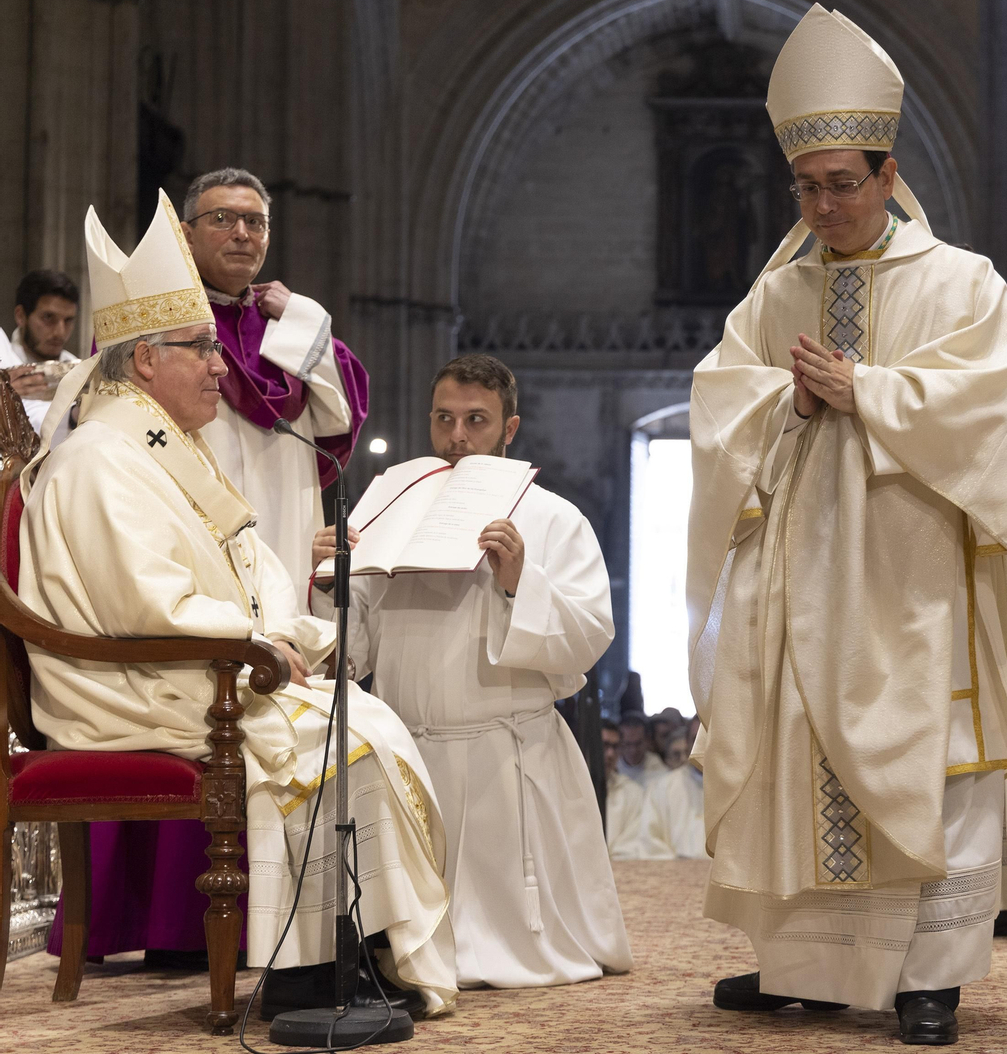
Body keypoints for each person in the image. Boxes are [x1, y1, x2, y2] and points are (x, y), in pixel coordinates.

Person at [686, 5, 1007, 1046]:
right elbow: (717, 399)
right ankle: (812, 966)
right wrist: (784, 402)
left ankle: (930, 976)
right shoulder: (774, 290)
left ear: (888, 175)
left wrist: (868, 391)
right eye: (807, 187)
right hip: (801, 576)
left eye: (842, 184)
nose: (824, 205)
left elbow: (996, 408)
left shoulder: (964, 284)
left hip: (919, 573)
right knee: (800, 760)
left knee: (938, 763)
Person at [23, 192, 454, 1017]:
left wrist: (297, 633)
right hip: (127, 689)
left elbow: (245, 565)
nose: (223, 365)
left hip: (188, 667)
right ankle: (307, 975)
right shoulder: (99, 462)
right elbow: (146, 605)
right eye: (201, 350)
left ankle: (352, 954)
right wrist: (258, 647)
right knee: (343, 747)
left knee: (361, 720)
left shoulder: (156, 448)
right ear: (144, 361)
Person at [309, 353, 631, 988]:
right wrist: (329, 581)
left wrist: (518, 583)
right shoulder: (391, 511)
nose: (457, 437)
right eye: (445, 418)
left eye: (477, 421)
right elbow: (354, 653)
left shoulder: (555, 518)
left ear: (510, 428)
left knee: (514, 936)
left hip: (504, 747)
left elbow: (590, 635)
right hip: (414, 748)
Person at [181, 167, 368, 598]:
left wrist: (302, 315)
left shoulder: (287, 323)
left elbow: (343, 413)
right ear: (187, 235)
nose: (243, 233)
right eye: (223, 219)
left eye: (256, 222)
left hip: (287, 522)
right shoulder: (163, 326)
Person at [4, 270, 81, 431]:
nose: (60, 332)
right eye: (48, 318)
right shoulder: (4, 360)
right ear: (21, 316)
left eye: (68, 320)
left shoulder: (79, 372)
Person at [638, 744, 709, 861]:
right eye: (696, 739)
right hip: (673, 873)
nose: (703, 746)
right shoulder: (662, 787)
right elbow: (650, 839)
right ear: (688, 747)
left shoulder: (736, 788)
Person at [601, 718, 647, 860]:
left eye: (615, 747)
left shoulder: (632, 792)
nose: (610, 754)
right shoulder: (566, 789)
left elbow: (634, 843)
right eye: (604, 746)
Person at [616, 711, 665, 785]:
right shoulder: (612, 765)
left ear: (647, 741)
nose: (633, 750)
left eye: (638, 744)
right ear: (619, 742)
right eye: (627, 744)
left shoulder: (657, 766)